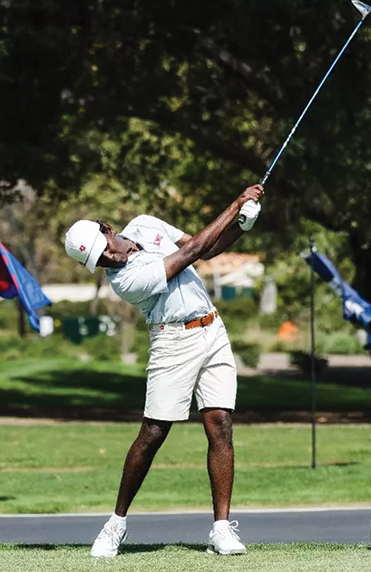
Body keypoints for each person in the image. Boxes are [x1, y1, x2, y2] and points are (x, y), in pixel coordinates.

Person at [63, 185, 264, 557]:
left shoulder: (144, 224)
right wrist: (234, 203)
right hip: (172, 342)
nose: (108, 259)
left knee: (220, 422)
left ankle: (221, 529)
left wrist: (241, 225)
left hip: (212, 329)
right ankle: (116, 523)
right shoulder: (124, 282)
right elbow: (190, 253)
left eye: (105, 249)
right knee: (154, 431)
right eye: (99, 261)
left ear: (108, 229)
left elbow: (208, 248)